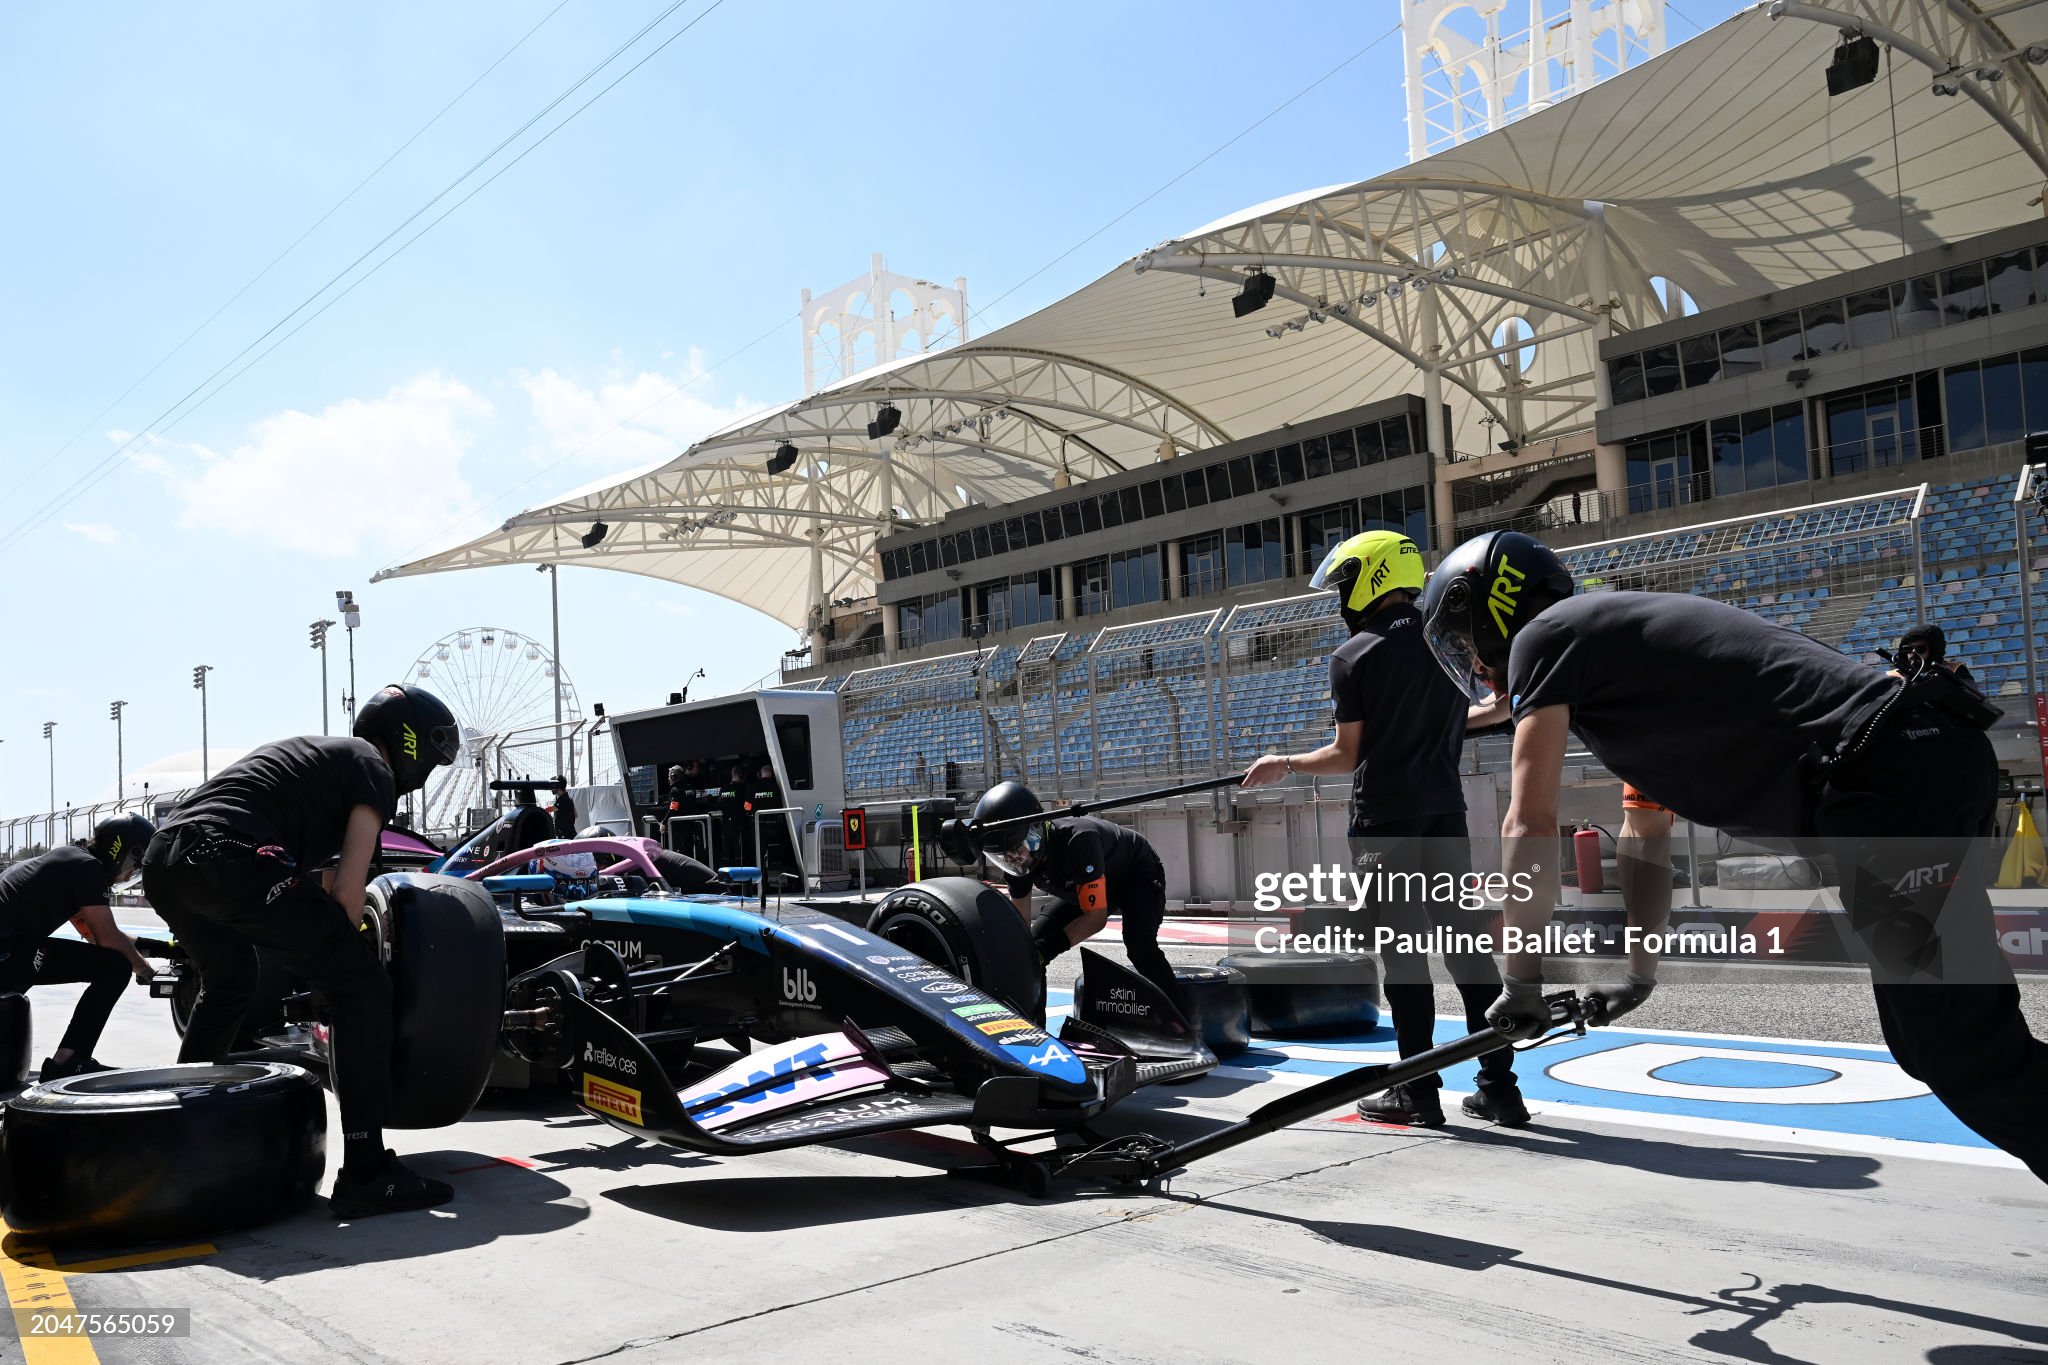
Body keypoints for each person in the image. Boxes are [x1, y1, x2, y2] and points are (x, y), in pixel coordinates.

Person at [1418, 529, 2048, 1183]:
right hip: (1913, 764)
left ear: (1489, 607)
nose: (1478, 666)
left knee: (1965, 1053)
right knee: (1931, 1044)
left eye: (1465, 645)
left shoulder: (1544, 639)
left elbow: (1530, 822)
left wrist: (1518, 979)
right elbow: (1643, 840)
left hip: (1884, 784)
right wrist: (1637, 976)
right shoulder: (1627, 667)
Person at [141, 684, 462, 1217]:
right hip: (230, 853)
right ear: (411, 742)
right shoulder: (372, 769)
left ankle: (178, 1130)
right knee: (361, 987)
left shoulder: (326, 761)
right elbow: (347, 894)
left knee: (231, 978)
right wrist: (345, 976)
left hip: (166, 861)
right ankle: (367, 1171)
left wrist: (323, 963)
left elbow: (322, 887)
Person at [1243, 530, 1523, 1128]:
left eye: (1345, 584)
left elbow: (1347, 755)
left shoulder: (1354, 656)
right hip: (1445, 816)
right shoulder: (1445, 639)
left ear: (1368, 579)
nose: (1342, 597)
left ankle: (1416, 1092)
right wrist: (1504, 704)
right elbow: (1470, 715)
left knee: (1403, 958)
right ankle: (1500, 1088)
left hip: (1385, 823)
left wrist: (1284, 762)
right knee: (1468, 948)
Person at [971, 781, 1179, 1006]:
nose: (1013, 859)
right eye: (1003, 856)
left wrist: (1047, 949)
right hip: (1083, 883)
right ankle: (1032, 1022)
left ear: (1036, 831)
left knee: (1140, 946)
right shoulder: (1015, 863)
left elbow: (1095, 918)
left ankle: (1184, 1018)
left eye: (1015, 848)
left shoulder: (1078, 839)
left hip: (1135, 873)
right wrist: (1026, 954)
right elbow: (1021, 925)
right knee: (1030, 951)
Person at [0, 814, 156, 1080]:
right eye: (135, 865)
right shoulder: (87, 868)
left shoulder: (68, 861)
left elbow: (96, 938)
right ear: (124, 852)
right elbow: (109, 941)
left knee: (108, 961)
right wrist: (148, 973)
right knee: (116, 967)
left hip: (11, 949)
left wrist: (162, 949)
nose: (131, 874)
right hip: (10, 951)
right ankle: (70, 1059)